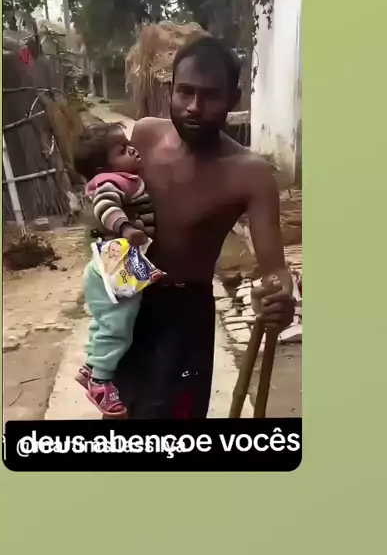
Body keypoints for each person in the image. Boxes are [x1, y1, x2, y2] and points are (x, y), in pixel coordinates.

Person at [112, 35, 296, 419]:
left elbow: (274, 269)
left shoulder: (249, 174)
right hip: (126, 299)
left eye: (210, 96)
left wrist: (277, 297)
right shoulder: (144, 135)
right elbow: (110, 192)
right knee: (119, 413)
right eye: (186, 92)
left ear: (233, 99)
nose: (194, 106)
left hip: (184, 315)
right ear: (171, 90)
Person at [73, 122, 156, 416]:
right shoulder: (111, 182)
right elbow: (105, 207)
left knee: (106, 320)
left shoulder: (125, 179)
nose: (132, 150)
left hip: (109, 262)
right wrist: (126, 228)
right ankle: (100, 382)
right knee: (119, 326)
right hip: (116, 262)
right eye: (122, 150)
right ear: (102, 168)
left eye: (129, 144)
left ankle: (90, 366)